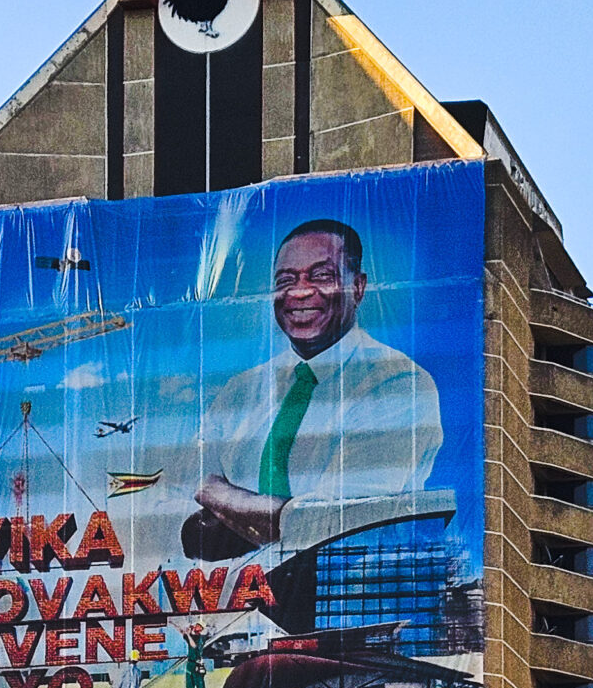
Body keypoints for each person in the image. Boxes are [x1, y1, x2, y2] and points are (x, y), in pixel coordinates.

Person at [186, 218, 443, 559]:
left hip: (350, 595)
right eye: (286, 280)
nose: (300, 292)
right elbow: (193, 533)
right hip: (236, 598)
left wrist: (224, 497)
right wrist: (275, 515)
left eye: (321, 276)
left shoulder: (399, 385)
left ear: (358, 287)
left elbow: (340, 521)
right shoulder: (240, 392)